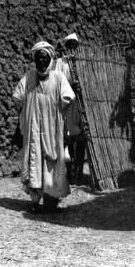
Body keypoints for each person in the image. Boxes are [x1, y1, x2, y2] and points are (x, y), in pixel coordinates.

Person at [12, 41, 75, 214]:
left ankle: (51, 198)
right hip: (33, 130)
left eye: (44, 58)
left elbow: (68, 99)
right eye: (38, 58)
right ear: (34, 59)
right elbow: (18, 99)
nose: (41, 62)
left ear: (51, 59)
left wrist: (66, 129)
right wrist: (20, 126)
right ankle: (34, 199)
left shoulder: (58, 78)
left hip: (53, 131)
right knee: (34, 161)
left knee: (52, 163)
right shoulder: (29, 78)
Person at [54, 33, 86, 184]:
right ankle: (68, 171)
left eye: (74, 45)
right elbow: (58, 80)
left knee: (80, 138)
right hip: (66, 103)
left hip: (80, 104)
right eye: (69, 45)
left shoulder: (83, 62)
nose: (72, 48)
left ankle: (79, 170)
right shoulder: (61, 62)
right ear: (66, 47)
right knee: (66, 138)